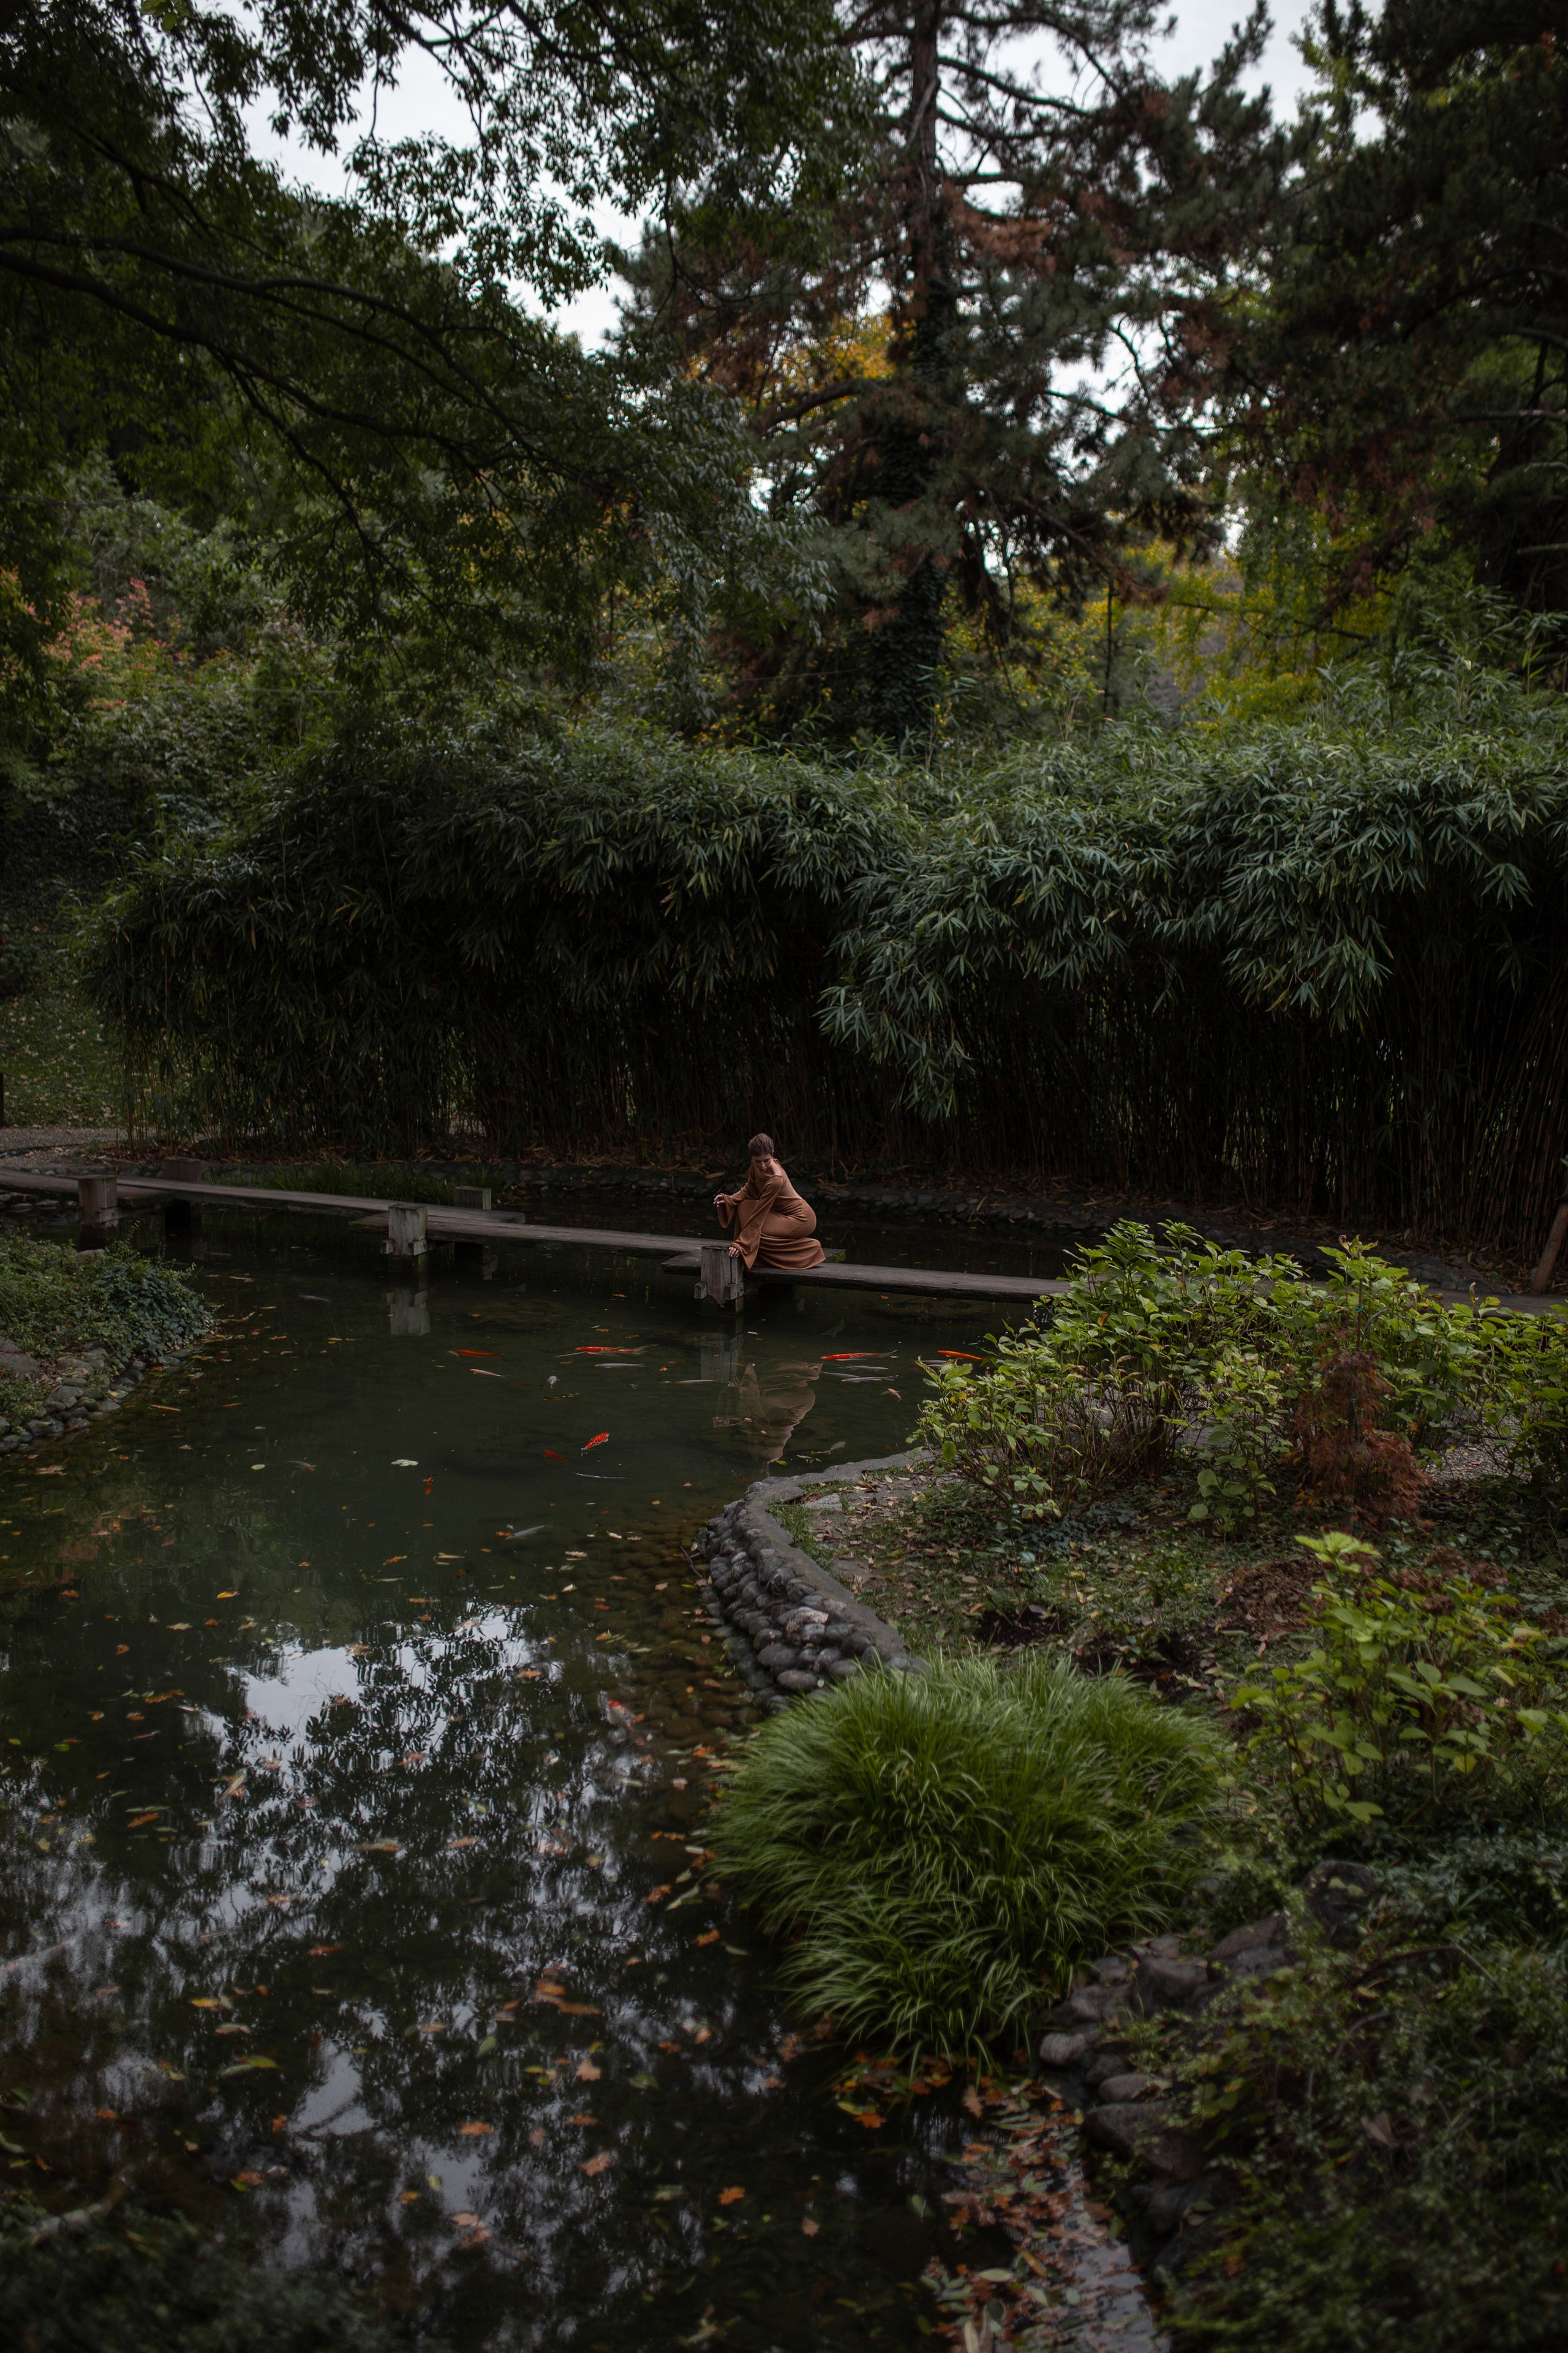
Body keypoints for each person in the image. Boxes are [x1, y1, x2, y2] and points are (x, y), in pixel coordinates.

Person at [712, 1133, 826, 1270]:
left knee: (755, 1231)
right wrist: (730, 1200)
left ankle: (810, 1249)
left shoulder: (775, 1179)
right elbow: (750, 1190)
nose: (762, 1166)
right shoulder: (756, 1166)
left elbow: (760, 1214)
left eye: (766, 1161)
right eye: (757, 1161)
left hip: (801, 1219)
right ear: (753, 1158)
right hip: (780, 1213)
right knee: (743, 1206)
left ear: (772, 1153)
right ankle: (751, 1251)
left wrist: (742, 1243)